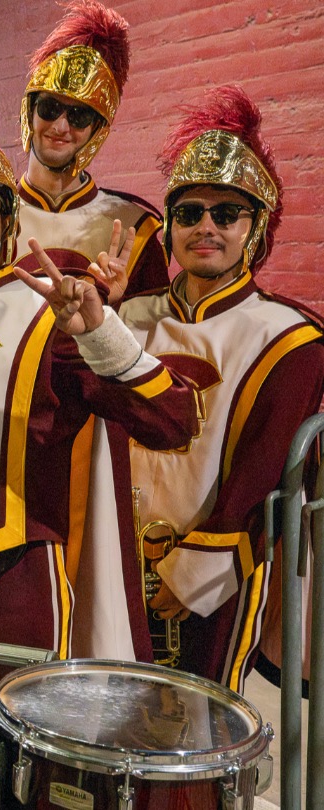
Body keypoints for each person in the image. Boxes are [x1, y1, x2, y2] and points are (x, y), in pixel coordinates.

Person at [0, 70, 200, 662]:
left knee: (22, 737)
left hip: (18, 571)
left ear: (5, 216)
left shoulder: (50, 311)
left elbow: (173, 421)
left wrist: (102, 331)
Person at [122, 86, 324, 691]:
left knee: (202, 720)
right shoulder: (127, 317)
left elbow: (265, 469)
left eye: (226, 213)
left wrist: (206, 560)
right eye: (188, 213)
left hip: (213, 562)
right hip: (113, 555)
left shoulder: (290, 335)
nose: (204, 227)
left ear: (255, 228)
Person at [14, 0, 168, 302]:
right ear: (30, 110)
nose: (60, 126)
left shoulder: (133, 228)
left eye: (79, 116)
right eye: (50, 107)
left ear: (97, 129)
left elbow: (152, 340)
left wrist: (115, 306)